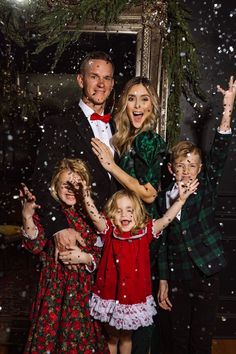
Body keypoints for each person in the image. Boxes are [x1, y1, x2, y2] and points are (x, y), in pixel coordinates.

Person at [58, 181, 198, 354]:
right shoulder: (109, 231)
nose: (125, 215)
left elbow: (166, 219)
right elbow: (95, 216)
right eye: (119, 211)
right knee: (112, 338)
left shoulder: (146, 232)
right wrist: (86, 196)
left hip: (134, 297)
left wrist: (181, 201)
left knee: (126, 338)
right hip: (110, 295)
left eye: (129, 210)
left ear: (137, 214)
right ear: (112, 215)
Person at [157, 76, 236, 354]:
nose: (187, 171)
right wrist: (164, 280)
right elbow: (163, 244)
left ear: (200, 169)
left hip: (206, 275)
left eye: (192, 165)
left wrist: (227, 111)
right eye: (181, 165)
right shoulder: (162, 198)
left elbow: (219, 152)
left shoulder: (206, 189)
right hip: (178, 278)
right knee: (176, 340)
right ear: (171, 170)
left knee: (200, 341)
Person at [91, 76, 167, 353]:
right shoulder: (127, 139)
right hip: (126, 235)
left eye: (144, 99)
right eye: (132, 98)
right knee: (123, 317)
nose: (137, 105)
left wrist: (111, 165)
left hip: (141, 238)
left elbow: (148, 194)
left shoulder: (148, 140)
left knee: (136, 319)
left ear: (152, 106)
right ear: (124, 104)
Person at [20, 158, 109, 354]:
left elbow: (106, 255)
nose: (70, 190)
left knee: (82, 342)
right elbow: (35, 246)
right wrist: (27, 216)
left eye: (75, 186)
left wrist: (86, 258)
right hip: (54, 291)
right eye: (64, 185)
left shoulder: (92, 215)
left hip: (84, 293)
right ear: (54, 187)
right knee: (50, 339)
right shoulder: (51, 215)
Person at [31, 51, 118, 244]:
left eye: (106, 78)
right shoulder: (60, 123)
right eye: (94, 77)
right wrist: (59, 227)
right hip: (79, 232)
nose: (101, 84)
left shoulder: (119, 126)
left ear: (112, 84)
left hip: (116, 231)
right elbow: (42, 179)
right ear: (80, 80)